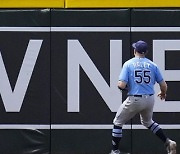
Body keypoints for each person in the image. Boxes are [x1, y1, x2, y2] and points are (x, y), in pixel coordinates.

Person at [110, 40, 177, 154]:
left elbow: (121, 85)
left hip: (135, 98)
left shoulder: (128, 64)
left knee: (118, 122)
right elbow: (163, 85)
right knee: (148, 122)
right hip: (149, 99)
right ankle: (168, 141)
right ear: (145, 52)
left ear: (135, 50)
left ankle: (115, 151)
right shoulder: (152, 65)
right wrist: (163, 93)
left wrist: (124, 88)